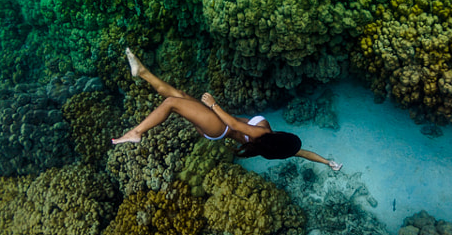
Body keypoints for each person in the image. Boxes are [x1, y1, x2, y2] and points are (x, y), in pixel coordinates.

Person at [112, 49, 342, 170]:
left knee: (171, 104)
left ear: (284, 136)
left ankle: (137, 132)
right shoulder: (272, 148)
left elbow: (234, 124)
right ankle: (142, 72)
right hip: (217, 130)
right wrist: (327, 162)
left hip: (219, 127)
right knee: (178, 97)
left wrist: (213, 104)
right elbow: (305, 154)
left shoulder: (262, 134)